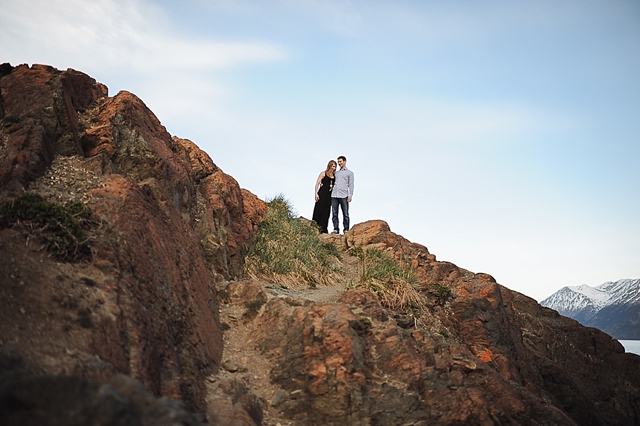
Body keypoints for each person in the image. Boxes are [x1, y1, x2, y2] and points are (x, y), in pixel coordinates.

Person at [331, 155, 354, 234]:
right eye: (338, 162)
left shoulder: (350, 173)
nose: (339, 163)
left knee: (345, 214)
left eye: (340, 161)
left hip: (344, 195)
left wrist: (350, 195)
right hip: (334, 195)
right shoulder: (336, 173)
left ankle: (346, 229)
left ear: (344, 161)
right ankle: (336, 228)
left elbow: (351, 184)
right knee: (334, 213)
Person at [311, 160, 336, 233]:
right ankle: (315, 226)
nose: (334, 168)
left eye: (335, 166)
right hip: (322, 194)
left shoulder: (335, 176)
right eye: (333, 166)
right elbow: (317, 183)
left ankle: (323, 229)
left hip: (329, 196)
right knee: (319, 208)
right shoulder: (323, 173)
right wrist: (316, 193)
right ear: (329, 165)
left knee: (326, 211)